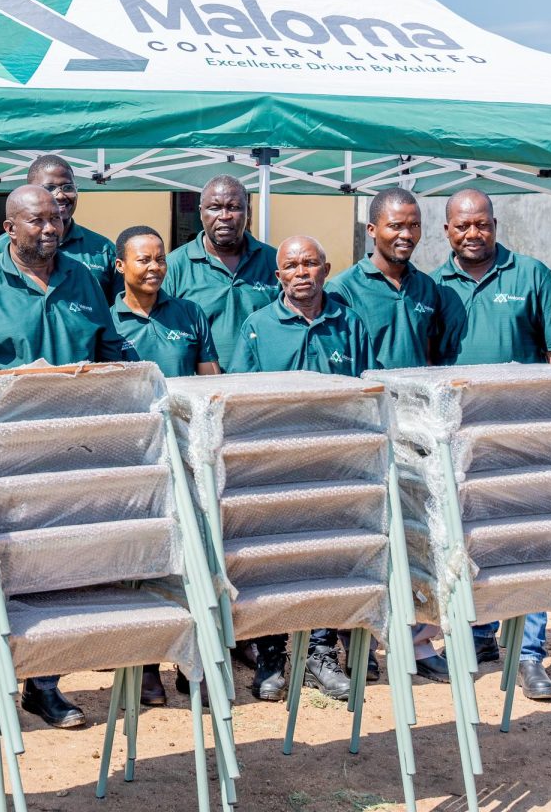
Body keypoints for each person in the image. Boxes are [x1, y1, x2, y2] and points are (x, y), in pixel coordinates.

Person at [0, 184, 126, 729]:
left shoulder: (83, 280)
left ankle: (44, 686)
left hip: (71, 454)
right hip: (1, 460)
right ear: (9, 228)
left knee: (58, 569)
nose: (51, 228)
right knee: (1, 571)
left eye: (57, 219)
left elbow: (110, 353)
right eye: (37, 220)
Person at [435, 188, 551, 703]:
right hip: (462, 440)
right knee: (471, 541)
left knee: (527, 543)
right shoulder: (434, 286)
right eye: (462, 225)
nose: (473, 233)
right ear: (448, 231)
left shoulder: (531, 275)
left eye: (482, 224)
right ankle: (479, 634)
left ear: (495, 226)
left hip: (524, 436)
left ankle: (529, 652)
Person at [234, 235, 375, 703]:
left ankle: (320, 652)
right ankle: (272, 656)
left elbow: (368, 394)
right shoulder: (257, 327)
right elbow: (239, 401)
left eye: (309, 263)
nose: (300, 272)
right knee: (274, 563)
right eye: (291, 265)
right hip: (275, 471)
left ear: (325, 269)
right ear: (278, 276)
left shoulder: (349, 324)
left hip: (334, 469)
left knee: (325, 559)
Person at [327, 187, 459, 686]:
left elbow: (437, 357)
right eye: (395, 225)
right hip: (367, 429)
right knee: (366, 538)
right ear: (372, 230)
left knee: (419, 537)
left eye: (413, 225)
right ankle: (359, 643)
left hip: (418, 431)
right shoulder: (343, 289)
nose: (405, 234)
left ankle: (419, 643)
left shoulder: (429, 289)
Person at [108, 224, 220, 707]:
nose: (154, 267)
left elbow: (210, 380)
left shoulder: (189, 313)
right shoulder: (106, 320)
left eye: (160, 259)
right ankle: (145, 665)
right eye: (143, 260)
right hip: (135, 457)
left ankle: (193, 663)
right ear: (120, 266)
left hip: (187, 454)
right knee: (142, 560)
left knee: (194, 557)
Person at [162, 175, 279, 371]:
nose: (224, 216)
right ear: (201, 212)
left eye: (234, 207)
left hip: (263, 382)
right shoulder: (174, 266)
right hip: (201, 385)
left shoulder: (273, 261)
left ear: (248, 211)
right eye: (215, 208)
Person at [0, 154, 118, 297]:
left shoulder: (103, 249)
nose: (60, 195)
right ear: (30, 192)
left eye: (68, 187)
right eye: (49, 188)